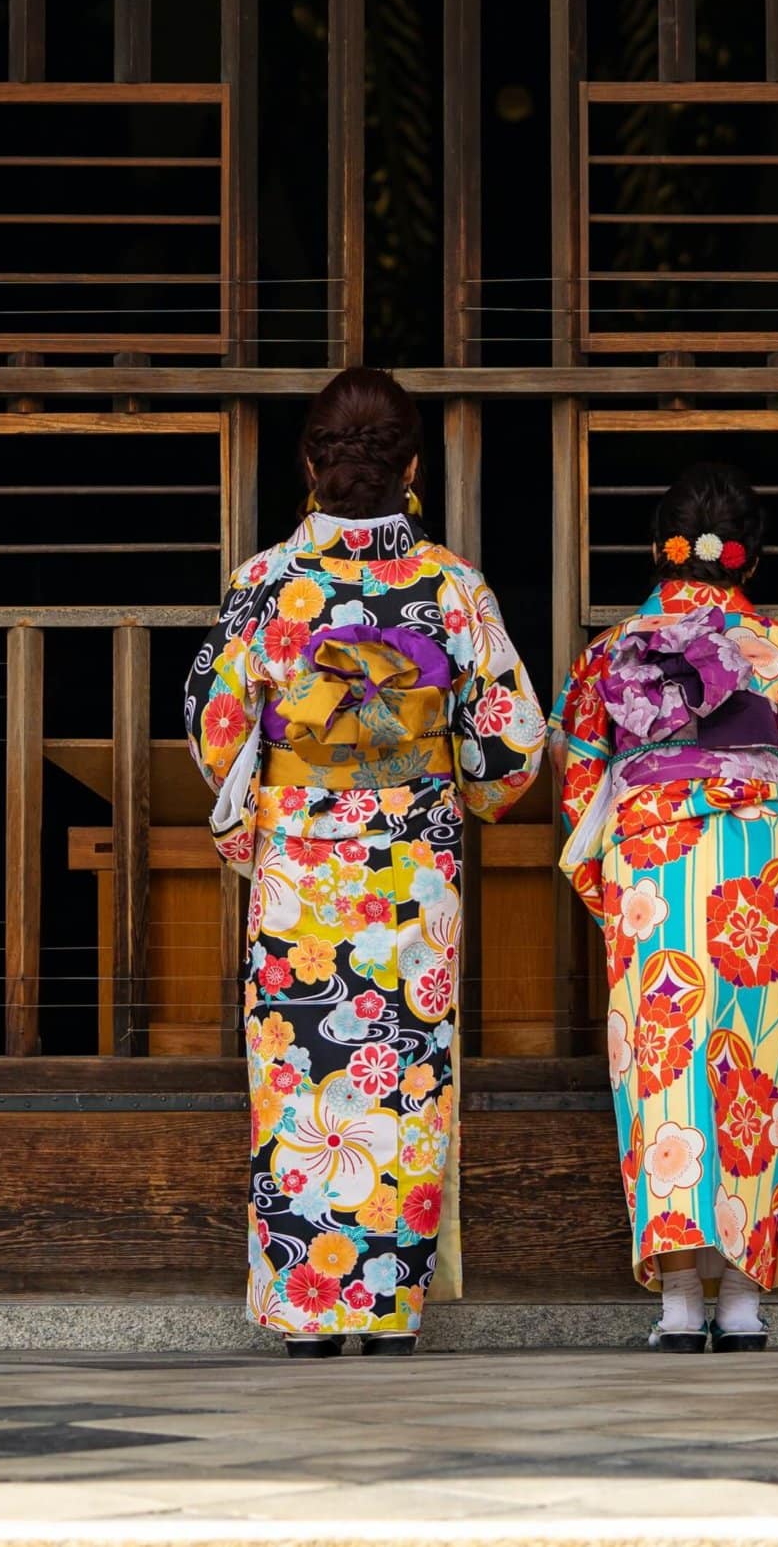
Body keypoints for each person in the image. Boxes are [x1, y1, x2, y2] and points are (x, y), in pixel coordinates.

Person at [186, 367, 544, 1357]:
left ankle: (307, 1309)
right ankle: (386, 1305)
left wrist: (251, 823)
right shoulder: (451, 588)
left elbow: (218, 726)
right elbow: (509, 743)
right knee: (402, 1079)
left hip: (301, 860)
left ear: (309, 463)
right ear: (413, 466)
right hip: (409, 866)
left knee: (301, 1079)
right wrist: (461, 783)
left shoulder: (265, 585)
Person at [553, 463, 778, 1351]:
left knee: (662, 1066)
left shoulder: (611, 654)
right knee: (751, 1065)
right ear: (747, 560)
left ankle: (679, 1302)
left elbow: (579, 785)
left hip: (650, 865)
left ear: (659, 551)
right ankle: (745, 1303)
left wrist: (610, 885)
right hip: (756, 867)